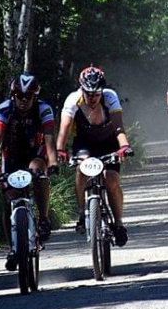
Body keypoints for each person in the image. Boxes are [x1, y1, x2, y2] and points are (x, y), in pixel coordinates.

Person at [0, 74, 58, 270]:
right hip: (12, 156)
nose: (24, 101)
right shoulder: (4, 110)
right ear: (13, 95)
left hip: (36, 153)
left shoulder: (43, 109)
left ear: (35, 96)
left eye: (29, 97)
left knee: (38, 171)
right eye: (19, 96)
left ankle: (43, 218)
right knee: (9, 201)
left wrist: (54, 162)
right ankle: (13, 249)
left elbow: (49, 137)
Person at [56, 65, 133, 246]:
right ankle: (82, 212)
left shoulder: (110, 97)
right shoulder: (73, 101)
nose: (92, 98)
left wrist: (124, 147)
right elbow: (64, 131)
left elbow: (119, 128)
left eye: (96, 94)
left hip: (109, 141)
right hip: (85, 143)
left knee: (111, 179)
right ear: (81, 89)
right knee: (82, 169)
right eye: (88, 93)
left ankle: (119, 223)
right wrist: (60, 151)